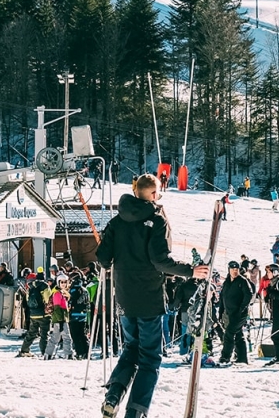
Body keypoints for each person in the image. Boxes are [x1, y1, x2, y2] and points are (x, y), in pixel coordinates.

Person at [96, 174, 209, 418]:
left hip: (125, 295)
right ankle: (135, 412)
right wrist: (190, 271)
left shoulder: (117, 221)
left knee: (130, 349)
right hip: (148, 295)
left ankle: (113, 395)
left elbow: (103, 258)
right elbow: (159, 260)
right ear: (153, 195)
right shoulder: (156, 220)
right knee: (149, 358)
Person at [218, 261, 254, 365]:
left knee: (229, 333)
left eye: (237, 270)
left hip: (239, 313)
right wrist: (220, 312)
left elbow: (249, 294)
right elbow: (222, 297)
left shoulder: (242, 281)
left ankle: (225, 356)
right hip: (229, 312)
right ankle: (242, 358)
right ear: (229, 270)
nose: (235, 271)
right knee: (238, 334)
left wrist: (242, 308)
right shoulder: (227, 282)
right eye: (233, 270)